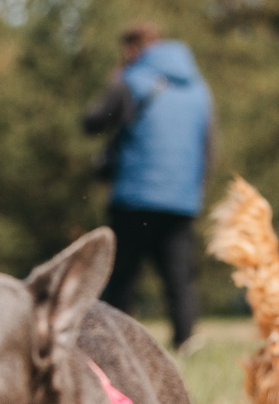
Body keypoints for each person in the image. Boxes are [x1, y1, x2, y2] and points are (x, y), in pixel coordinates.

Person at [82, 22, 215, 350]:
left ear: (132, 49)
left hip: (135, 194)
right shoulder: (198, 88)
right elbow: (209, 146)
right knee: (179, 276)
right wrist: (195, 188)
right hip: (182, 198)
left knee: (123, 274)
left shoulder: (131, 81)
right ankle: (186, 340)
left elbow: (93, 121)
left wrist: (113, 84)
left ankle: (111, 342)